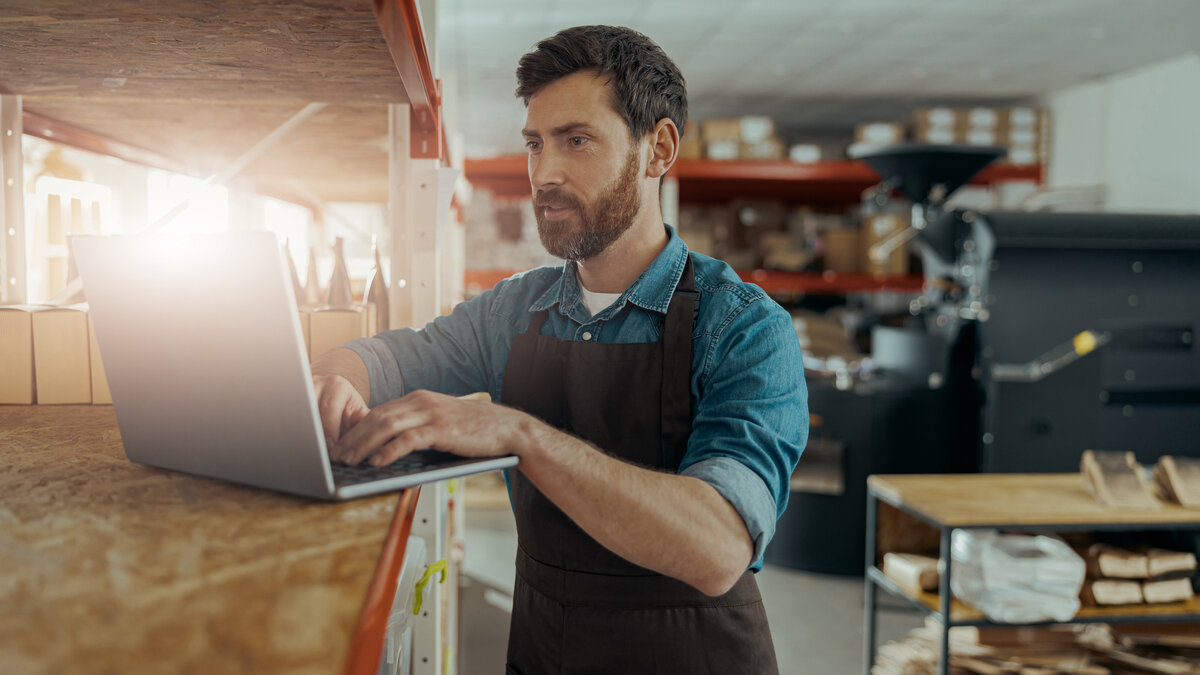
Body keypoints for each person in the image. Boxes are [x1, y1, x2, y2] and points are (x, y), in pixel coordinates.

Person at [312, 25, 807, 674]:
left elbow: (717, 547)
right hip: (546, 649)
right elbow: (388, 357)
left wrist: (518, 432)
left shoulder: (743, 328)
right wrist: (334, 376)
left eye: (577, 140)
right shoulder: (515, 310)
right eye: (534, 144)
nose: (544, 173)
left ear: (657, 149)